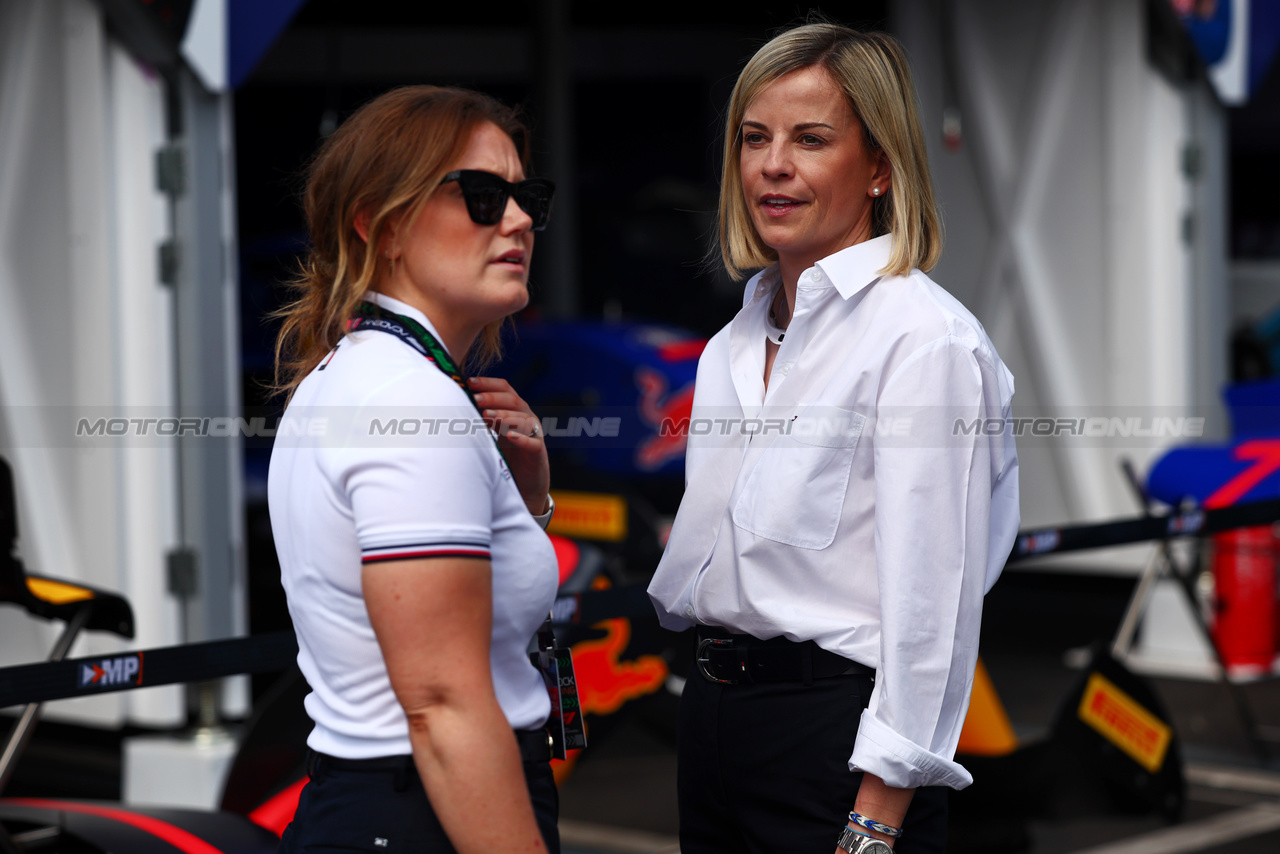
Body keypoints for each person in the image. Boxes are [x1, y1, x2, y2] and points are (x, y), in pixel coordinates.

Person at [647, 23, 1020, 854]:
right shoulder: (732, 345)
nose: (772, 165)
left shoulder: (923, 343)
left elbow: (935, 608)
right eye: (754, 138)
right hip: (712, 723)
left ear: (881, 168)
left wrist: (874, 822)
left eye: (810, 139)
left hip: (836, 746)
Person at [268, 85, 561, 854]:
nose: (521, 219)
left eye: (526, 195)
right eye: (483, 195)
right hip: (423, 812)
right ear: (382, 225)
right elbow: (442, 706)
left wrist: (527, 503)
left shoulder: (355, 375)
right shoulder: (407, 398)